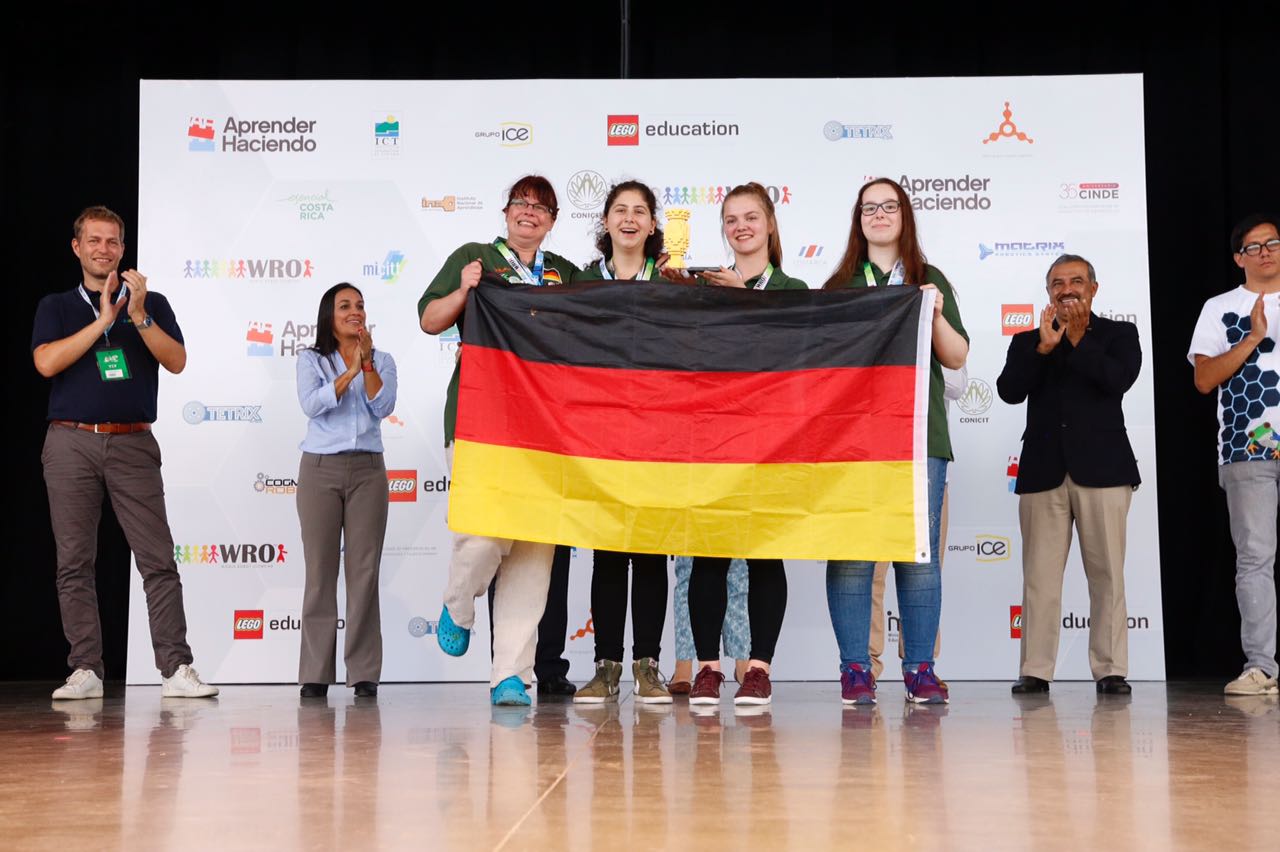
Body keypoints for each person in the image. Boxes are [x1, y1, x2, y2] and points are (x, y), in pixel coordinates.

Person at [32, 205, 217, 699]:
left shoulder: (151, 302)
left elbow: (176, 361)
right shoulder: (56, 306)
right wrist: (103, 322)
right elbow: (46, 363)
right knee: (74, 561)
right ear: (77, 247)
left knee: (158, 559)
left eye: (112, 241)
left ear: (123, 249)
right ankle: (85, 669)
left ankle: (176, 668)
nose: (104, 249)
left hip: (134, 441)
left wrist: (137, 316)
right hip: (70, 441)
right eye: (94, 240)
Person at [418, 175, 580, 706]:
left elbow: (609, 313)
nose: (529, 212)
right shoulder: (475, 258)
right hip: (479, 418)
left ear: (552, 221)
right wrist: (464, 291)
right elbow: (429, 320)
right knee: (484, 532)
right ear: (506, 212)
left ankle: (511, 674)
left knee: (533, 555)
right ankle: (458, 605)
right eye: (520, 203)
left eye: (540, 207)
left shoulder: (565, 274)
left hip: (545, 430)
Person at [823, 178, 969, 706]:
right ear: (858, 220)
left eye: (889, 206)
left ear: (905, 216)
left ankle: (920, 669)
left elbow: (956, 357)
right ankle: (855, 669)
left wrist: (934, 313)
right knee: (852, 554)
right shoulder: (840, 286)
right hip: (854, 440)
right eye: (869, 208)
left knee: (919, 555)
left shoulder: (930, 279)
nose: (879, 215)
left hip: (919, 434)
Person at [682, 182, 808, 709]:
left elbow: (791, 357)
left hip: (772, 440)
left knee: (763, 556)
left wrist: (742, 299)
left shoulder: (794, 288)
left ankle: (759, 669)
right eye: (731, 219)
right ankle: (708, 669)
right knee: (708, 554)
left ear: (770, 224)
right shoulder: (706, 289)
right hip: (714, 437)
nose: (741, 227)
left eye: (751, 217)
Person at [998, 253, 1140, 696]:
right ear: (1048, 292)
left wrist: (1078, 340)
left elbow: (1118, 379)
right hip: (1043, 472)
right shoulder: (1028, 340)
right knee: (1039, 578)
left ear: (1093, 289)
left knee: (1107, 575)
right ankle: (1035, 670)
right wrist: (1043, 349)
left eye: (1076, 281)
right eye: (1057, 283)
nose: (1067, 289)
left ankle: (1111, 669)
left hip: (1105, 470)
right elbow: (1008, 390)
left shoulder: (1119, 334)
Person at [570, 180, 672, 704]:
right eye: (620, 210)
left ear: (652, 225)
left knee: (651, 555)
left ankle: (648, 667)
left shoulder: (672, 284)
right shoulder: (579, 283)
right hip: (600, 439)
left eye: (639, 211)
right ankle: (606, 667)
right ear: (606, 221)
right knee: (608, 554)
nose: (629, 219)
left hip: (658, 438)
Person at [1189, 214, 1280, 696]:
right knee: (1255, 558)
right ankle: (1261, 667)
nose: (1265, 252)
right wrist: (1252, 337)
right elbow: (1204, 380)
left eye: (1273, 243)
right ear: (1238, 258)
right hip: (1249, 447)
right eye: (1253, 247)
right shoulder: (1221, 308)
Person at [295, 283, 397, 699]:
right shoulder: (311, 359)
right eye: (344, 306)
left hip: (368, 471)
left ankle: (364, 673)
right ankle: (315, 673)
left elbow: (383, 406)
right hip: (320, 469)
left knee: (364, 573)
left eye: (360, 305)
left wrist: (366, 364)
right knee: (320, 573)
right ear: (329, 315)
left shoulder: (383, 359)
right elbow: (311, 404)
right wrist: (349, 371)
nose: (355, 311)